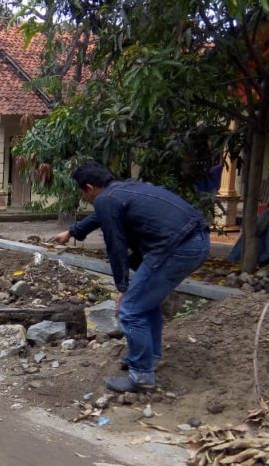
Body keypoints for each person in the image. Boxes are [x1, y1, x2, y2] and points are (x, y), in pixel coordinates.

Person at [51, 161, 210, 392]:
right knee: (146, 303)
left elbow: (116, 246)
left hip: (176, 248)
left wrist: (122, 287)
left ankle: (141, 376)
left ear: (89, 188)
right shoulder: (123, 189)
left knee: (131, 309)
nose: (84, 198)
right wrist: (72, 231)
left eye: (82, 193)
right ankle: (149, 358)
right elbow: (100, 217)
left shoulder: (106, 199)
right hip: (195, 240)